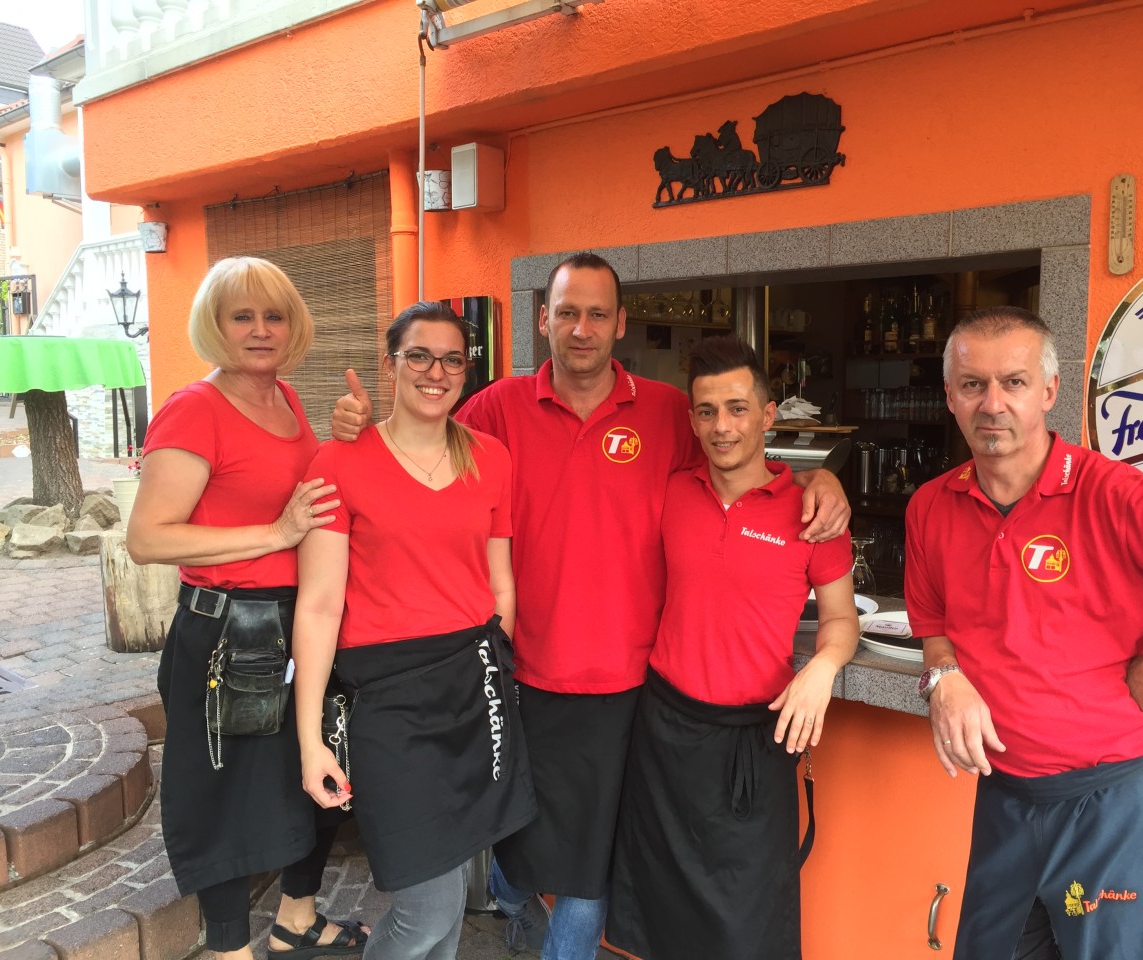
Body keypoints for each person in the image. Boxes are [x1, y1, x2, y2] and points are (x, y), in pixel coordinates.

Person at [332, 252, 849, 960]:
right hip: (515, 674)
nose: (582, 328)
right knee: (517, 835)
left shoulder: (667, 410)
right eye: (567, 312)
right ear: (544, 319)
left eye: (597, 314)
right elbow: (419, 446)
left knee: (591, 861)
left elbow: (735, 465)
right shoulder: (495, 408)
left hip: (629, 687)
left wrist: (817, 481)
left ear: (620, 324)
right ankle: (512, 899)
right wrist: (358, 430)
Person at [904, 306, 1143, 960]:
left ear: (1049, 391)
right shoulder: (932, 505)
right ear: (949, 398)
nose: (993, 403)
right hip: (1009, 803)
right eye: (973, 385)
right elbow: (933, 624)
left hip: (1122, 811)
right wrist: (945, 678)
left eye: (1014, 382)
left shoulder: (1113, 496)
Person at [127, 257, 367, 960]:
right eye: (242, 316)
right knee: (223, 795)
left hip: (297, 621)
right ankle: (230, 947)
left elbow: (303, 492)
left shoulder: (286, 399)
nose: (261, 330)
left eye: (274, 316)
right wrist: (274, 533)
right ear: (215, 325)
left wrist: (345, 439)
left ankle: (296, 920)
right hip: (224, 631)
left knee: (318, 768)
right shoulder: (194, 408)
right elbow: (147, 538)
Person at [292, 301, 536, 960]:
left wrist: (499, 675)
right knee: (427, 905)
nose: (436, 371)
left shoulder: (493, 459)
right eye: (419, 355)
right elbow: (318, 605)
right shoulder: (338, 461)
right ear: (391, 363)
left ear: (467, 370)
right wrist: (310, 737)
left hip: (472, 689)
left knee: (454, 884)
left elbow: (501, 583)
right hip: (390, 702)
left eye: (452, 358)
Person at [606, 337, 858, 960]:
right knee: (661, 911)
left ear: (768, 415)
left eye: (739, 408)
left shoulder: (811, 512)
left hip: (755, 740)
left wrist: (823, 667)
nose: (723, 426)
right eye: (708, 411)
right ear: (691, 418)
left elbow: (842, 619)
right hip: (663, 733)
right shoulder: (671, 494)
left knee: (748, 921)